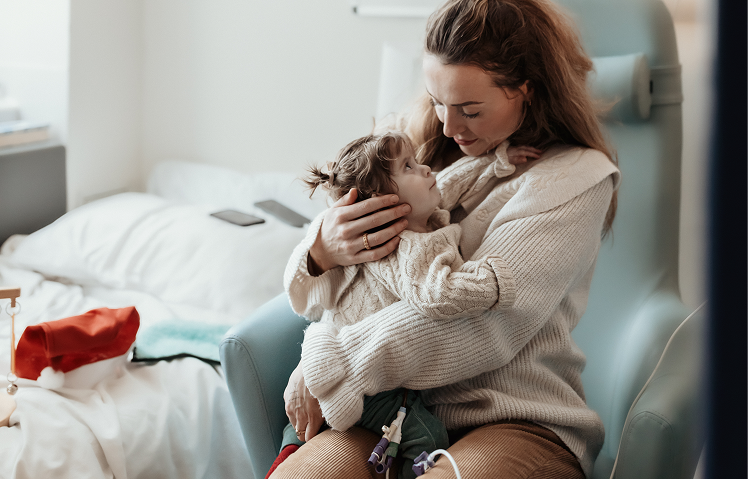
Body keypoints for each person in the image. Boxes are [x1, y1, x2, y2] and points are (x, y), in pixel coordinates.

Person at [274, 0, 621, 477]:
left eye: (470, 110)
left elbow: (483, 324)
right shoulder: (413, 150)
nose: (447, 125)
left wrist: (333, 361)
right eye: (437, 100)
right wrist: (321, 251)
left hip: (512, 416)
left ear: (528, 90)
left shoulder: (575, 177)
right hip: (380, 408)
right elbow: (329, 296)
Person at [271, 130, 539, 479]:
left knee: (300, 431)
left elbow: (449, 180)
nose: (427, 170)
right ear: (381, 203)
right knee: (429, 435)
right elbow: (438, 295)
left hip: (339, 360)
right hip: (368, 387)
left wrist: (496, 161)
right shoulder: (408, 248)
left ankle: (289, 449)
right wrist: (490, 282)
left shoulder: (415, 214)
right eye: (410, 167)